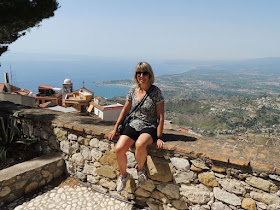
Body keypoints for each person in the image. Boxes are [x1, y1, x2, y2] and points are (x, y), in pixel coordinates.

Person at [108, 62, 165, 192]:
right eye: (139, 73)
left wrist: (160, 137)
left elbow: (161, 116)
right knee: (119, 148)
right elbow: (124, 110)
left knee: (140, 144)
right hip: (134, 123)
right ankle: (123, 175)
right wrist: (115, 128)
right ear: (136, 75)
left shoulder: (156, 92)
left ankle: (140, 170)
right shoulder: (133, 90)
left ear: (149, 75)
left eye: (144, 73)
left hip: (149, 125)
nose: (141, 76)